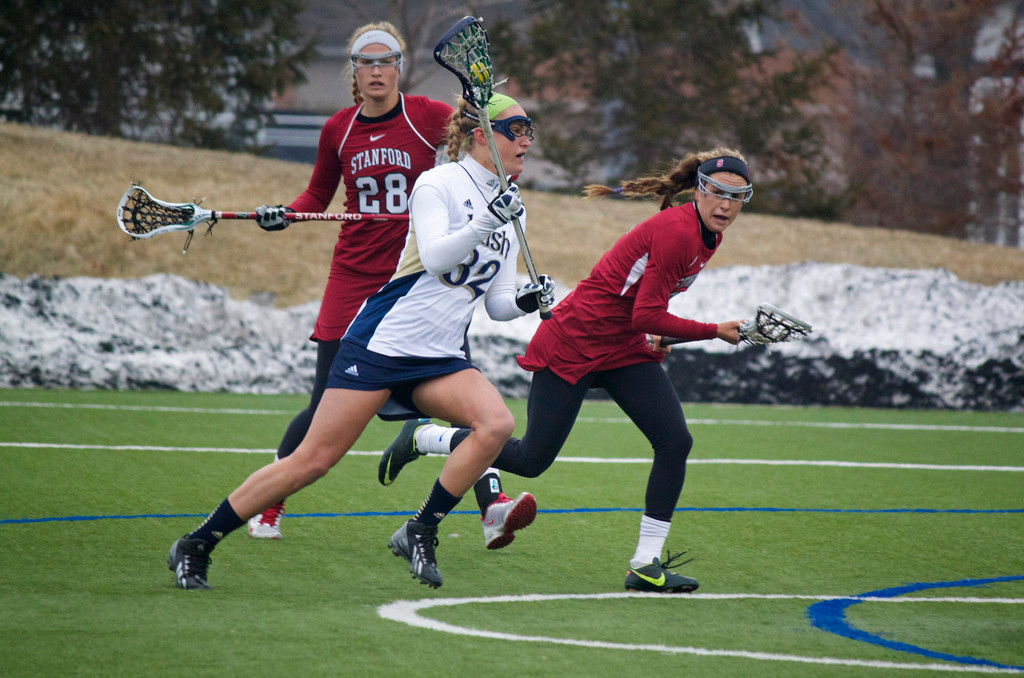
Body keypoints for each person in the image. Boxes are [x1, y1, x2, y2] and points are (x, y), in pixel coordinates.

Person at [167, 92, 555, 590]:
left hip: (439, 356)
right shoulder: (438, 184)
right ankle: (197, 542)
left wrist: (526, 298)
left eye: (529, 130)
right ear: (482, 135)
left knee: (496, 424)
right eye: (515, 129)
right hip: (384, 344)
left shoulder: (513, 209)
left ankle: (420, 529)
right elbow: (436, 258)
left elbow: (497, 304)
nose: (525, 140)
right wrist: (486, 219)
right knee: (311, 462)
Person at [378, 147, 755, 593]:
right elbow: (645, 313)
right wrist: (713, 330)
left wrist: (658, 336)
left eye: (738, 195)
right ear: (699, 189)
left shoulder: (709, 234)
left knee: (674, 441)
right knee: (530, 460)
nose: (726, 205)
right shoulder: (678, 232)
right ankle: (425, 437)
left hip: (621, 347)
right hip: (574, 342)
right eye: (716, 192)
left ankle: (645, 564)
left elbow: (641, 308)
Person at [245, 21, 453, 540]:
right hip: (353, 275)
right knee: (324, 402)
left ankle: (490, 505)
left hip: (411, 277)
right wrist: (285, 214)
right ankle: (270, 500)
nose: (376, 70)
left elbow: (474, 148)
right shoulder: (338, 128)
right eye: (366, 61)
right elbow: (315, 198)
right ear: (354, 70)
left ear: (400, 69)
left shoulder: (429, 116)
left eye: (386, 61)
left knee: (454, 388)